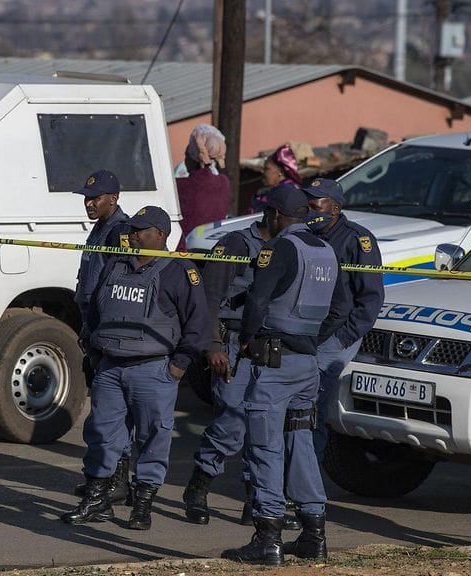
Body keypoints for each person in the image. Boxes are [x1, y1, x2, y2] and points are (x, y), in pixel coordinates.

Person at [62, 206, 209, 530]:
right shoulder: (116, 264)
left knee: (152, 438)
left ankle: (142, 506)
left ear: (160, 235)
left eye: (141, 229)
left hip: (153, 369)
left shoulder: (178, 271)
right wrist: (95, 350)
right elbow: (96, 310)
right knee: (102, 435)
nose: (133, 234)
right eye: (133, 228)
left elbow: (198, 325)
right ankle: (97, 500)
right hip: (111, 368)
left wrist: (178, 366)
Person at [222, 184, 346, 566]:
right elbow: (341, 307)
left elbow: (258, 299)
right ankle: (313, 536)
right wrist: (310, 338)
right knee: (301, 446)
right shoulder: (326, 250)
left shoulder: (278, 249)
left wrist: (246, 340)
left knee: (265, 447)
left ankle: (268, 539)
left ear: (274, 215)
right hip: (307, 364)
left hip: (274, 363)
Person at [182, 211, 270, 526]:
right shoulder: (238, 242)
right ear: (275, 215)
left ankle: (255, 499)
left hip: (270, 346)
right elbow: (210, 296)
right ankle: (197, 488)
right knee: (232, 422)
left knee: (263, 427)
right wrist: (213, 346)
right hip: (233, 343)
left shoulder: (293, 244)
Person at [302, 178, 384, 462]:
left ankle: (305, 478)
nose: (309, 210)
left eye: (315, 205)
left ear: (334, 208)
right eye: (307, 204)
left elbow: (371, 299)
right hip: (304, 331)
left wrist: (342, 338)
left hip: (335, 336)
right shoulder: (302, 234)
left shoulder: (357, 240)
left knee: (311, 405)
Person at [71, 169, 132, 505]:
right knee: (103, 410)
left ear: (114, 198)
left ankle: (117, 480)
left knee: (112, 411)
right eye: (86, 198)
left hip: (106, 329)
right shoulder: (99, 230)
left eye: (95, 198)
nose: (89, 204)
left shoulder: (119, 232)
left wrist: (99, 330)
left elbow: (114, 287)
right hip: (91, 326)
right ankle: (104, 476)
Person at [175, 125, 230, 251]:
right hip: (213, 248)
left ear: (191, 157)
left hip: (185, 250)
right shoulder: (224, 182)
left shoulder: (180, 186)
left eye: (187, 154)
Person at [252, 143, 301, 213]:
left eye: (267, 169)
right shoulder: (276, 189)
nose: (263, 172)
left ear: (280, 171)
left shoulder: (284, 192)